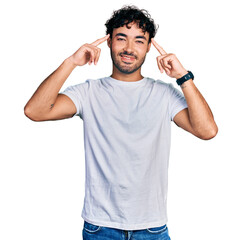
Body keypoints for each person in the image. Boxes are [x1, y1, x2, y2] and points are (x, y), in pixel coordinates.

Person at [24, 5, 218, 240]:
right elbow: (35, 111)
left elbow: (207, 130)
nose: (128, 48)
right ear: (108, 42)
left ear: (148, 46)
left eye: (139, 40)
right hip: (100, 227)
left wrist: (183, 76)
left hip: (152, 228)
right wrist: (71, 62)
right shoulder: (89, 92)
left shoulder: (164, 94)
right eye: (121, 38)